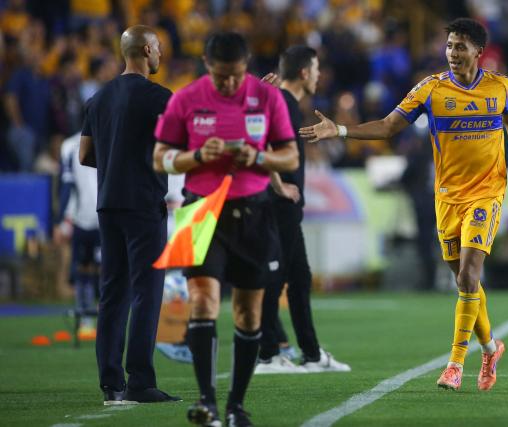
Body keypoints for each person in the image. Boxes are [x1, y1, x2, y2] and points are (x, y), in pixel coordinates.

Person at [300, 18, 508, 392]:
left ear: (478, 51)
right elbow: (387, 126)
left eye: (460, 46)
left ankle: (455, 365)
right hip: (447, 196)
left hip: (486, 191)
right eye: (448, 46)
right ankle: (491, 348)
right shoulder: (431, 89)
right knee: (464, 280)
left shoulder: (500, 87)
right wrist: (342, 130)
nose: (452, 53)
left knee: (469, 274)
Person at [152, 32, 298, 427]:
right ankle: (207, 402)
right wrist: (196, 156)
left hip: (253, 213)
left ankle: (236, 405)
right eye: (220, 76)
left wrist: (259, 155)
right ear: (206, 65)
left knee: (249, 315)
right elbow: (160, 159)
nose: (228, 84)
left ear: (246, 65)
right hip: (199, 210)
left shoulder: (267, 98)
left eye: (234, 76)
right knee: (202, 303)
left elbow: (290, 156)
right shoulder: (185, 98)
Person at [79, 25, 179, 405]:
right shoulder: (160, 98)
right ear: (148, 49)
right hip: (144, 204)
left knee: (113, 293)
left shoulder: (97, 99)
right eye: (159, 49)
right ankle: (140, 380)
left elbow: (85, 155)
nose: (161, 56)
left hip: (109, 204)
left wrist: (116, 159)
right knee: (147, 293)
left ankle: (111, 383)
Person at [255, 45, 351, 374]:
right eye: (317, 68)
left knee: (298, 277)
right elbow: (259, 143)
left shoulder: (285, 103)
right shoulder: (281, 101)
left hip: (284, 207)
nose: (320, 75)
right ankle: (267, 355)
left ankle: (311, 354)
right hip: (275, 204)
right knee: (275, 278)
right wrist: (279, 185)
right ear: (304, 72)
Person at [55, 132, 100, 340]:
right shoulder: (70, 146)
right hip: (88, 218)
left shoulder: (107, 137)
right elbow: (68, 185)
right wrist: (64, 221)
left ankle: (100, 320)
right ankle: (87, 320)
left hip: (103, 215)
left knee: (99, 269)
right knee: (85, 267)